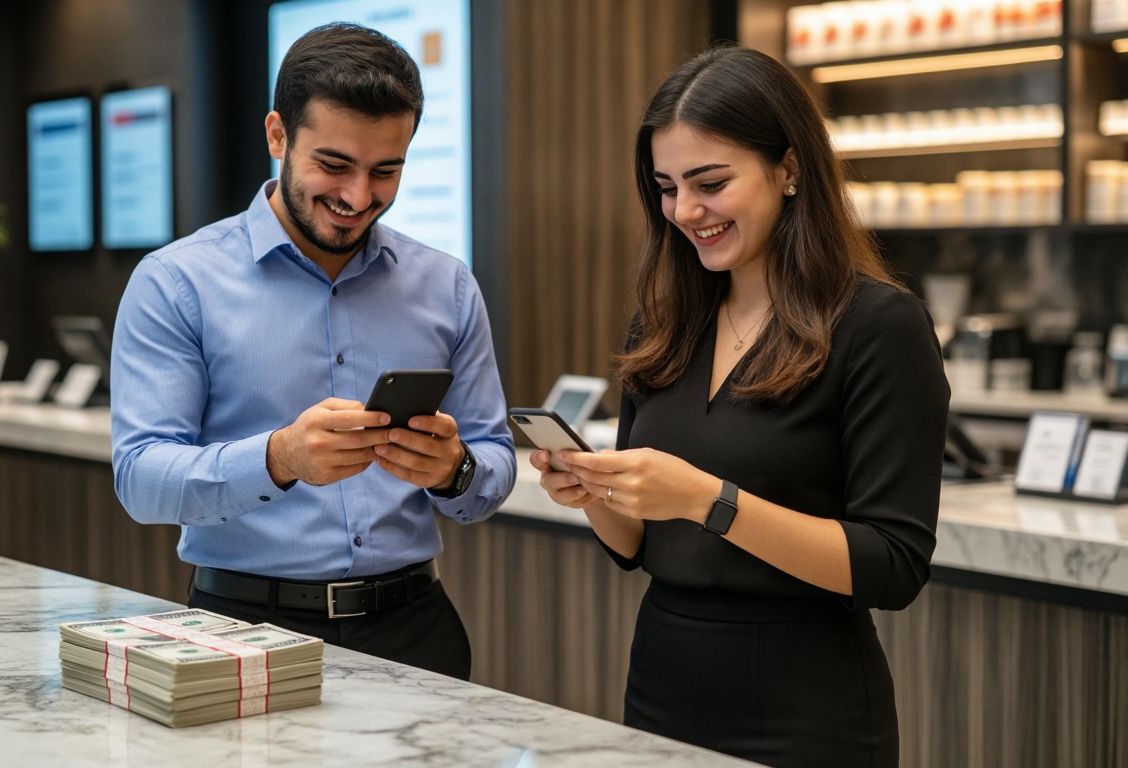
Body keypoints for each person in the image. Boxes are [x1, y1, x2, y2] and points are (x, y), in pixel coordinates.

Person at [530, 45, 948, 767]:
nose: (686, 211)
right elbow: (636, 547)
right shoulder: (662, 326)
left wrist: (708, 500)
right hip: (660, 689)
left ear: (789, 169)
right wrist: (594, 492)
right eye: (666, 187)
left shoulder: (878, 326)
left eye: (711, 182)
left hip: (807, 710)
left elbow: (892, 564)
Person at [110, 23, 514, 680]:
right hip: (241, 635)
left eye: (385, 171)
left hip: (418, 632)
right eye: (333, 165)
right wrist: (280, 458)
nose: (358, 197)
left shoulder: (446, 286)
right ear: (278, 135)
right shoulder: (177, 282)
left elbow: (492, 466)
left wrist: (454, 471)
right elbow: (141, 479)